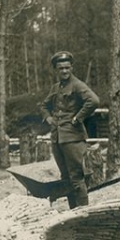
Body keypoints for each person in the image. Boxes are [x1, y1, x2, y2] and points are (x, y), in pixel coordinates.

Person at [40, 51, 99, 209]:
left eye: (67, 68)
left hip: (73, 137)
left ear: (71, 67)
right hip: (57, 138)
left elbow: (93, 100)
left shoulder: (77, 85)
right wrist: (48, 118)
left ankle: (83, 212)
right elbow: (43, 106)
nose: (64, 71)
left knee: (77, 177)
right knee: (65, 177)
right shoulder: (56, 87)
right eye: (61, 68)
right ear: (56, 70)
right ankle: (73, 211)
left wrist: (78, 118)